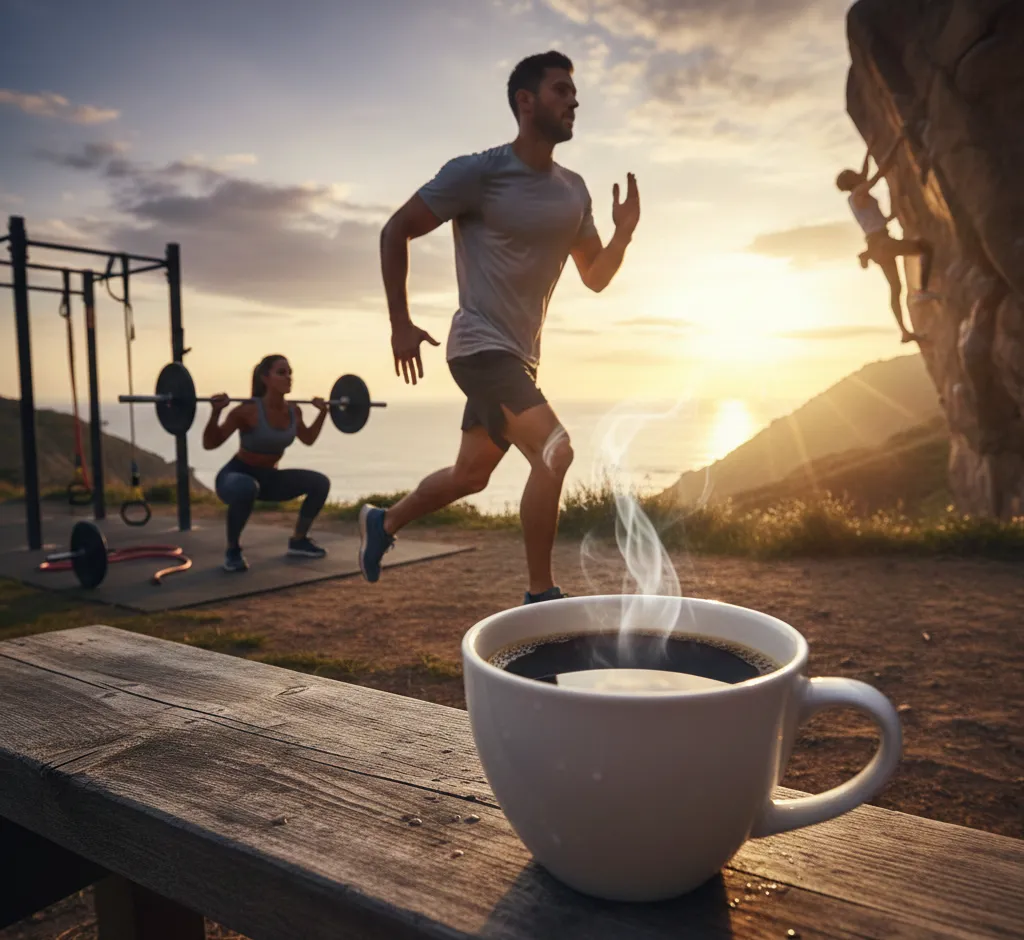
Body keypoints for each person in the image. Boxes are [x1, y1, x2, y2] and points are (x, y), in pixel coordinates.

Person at [358, 49, 640, 604]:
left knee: (471, 476)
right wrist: (400, 323)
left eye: (574, 92)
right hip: (479, 347)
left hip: (518, 356)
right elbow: (396, 230)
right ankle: (541, 593)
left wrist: (623, 235)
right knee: (555, 452)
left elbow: (596, 277)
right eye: (562, 90)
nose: (574, 100)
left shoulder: (574, 190)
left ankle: (383, 522)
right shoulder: (479, 173)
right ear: (525, 101)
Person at [203, 354, 332, 572]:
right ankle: (232, 550)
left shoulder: (294, 410)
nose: (289, 377)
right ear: (265, 378)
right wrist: (216, 412)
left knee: (320, 483)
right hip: (235, 476)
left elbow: (308, 438)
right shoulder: (247, 411)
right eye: (281, 373)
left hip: (269, 478)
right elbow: (210, 443)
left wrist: (323, 413)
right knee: (246, 487)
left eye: (290, 372)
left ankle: (299, 541)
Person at [836, 131, 939, 344]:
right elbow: (878, 173)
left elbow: (865, 173)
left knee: (896, 288)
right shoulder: (859, 194)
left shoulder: (854, 197)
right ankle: (922, 291)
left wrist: (870, 148)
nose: (858, 173)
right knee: (924, 248)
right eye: (853, 173)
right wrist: (898, 142)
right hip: (882, 243)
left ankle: (904, 331)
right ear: (851, 180)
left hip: (876, 246)